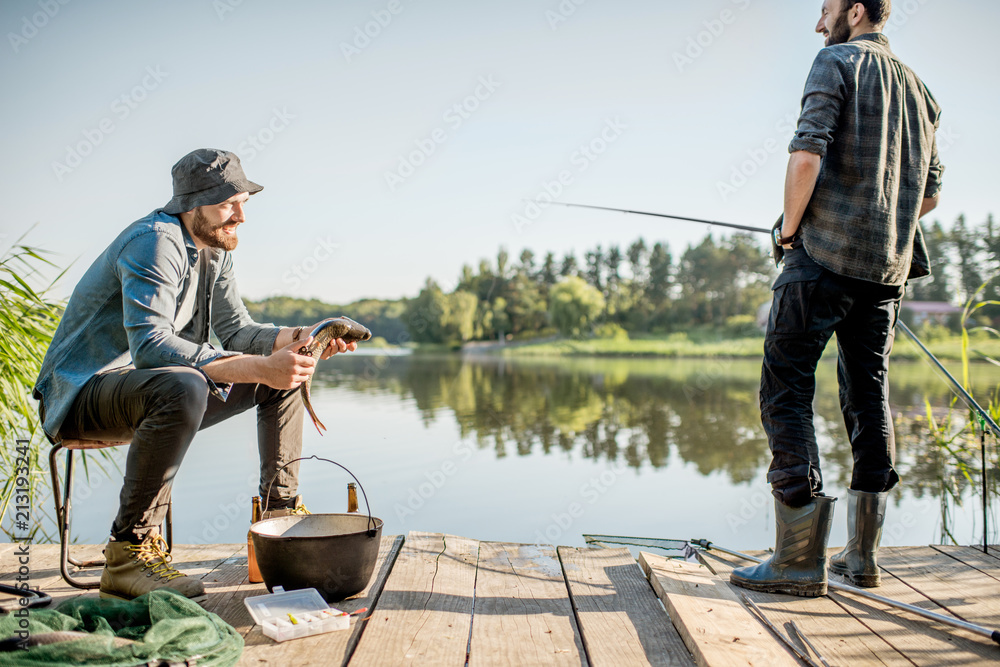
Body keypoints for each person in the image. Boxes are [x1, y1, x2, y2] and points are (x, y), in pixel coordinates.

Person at [33, 149, 358, 604]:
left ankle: (280, 518)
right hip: (81, 397)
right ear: (193, 203)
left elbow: (238, 331)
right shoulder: (154, 242)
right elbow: (151, 347)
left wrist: (304, 336)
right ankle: (129, 551)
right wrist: (259, 365)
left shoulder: (214, 250)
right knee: (184, 383)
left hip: (151, 391)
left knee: (286, 373)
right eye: (229, 203)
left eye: (244, 201)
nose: (241, 215)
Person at [731, 0, 944, 597]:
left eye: (825, 9)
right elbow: (927, 195)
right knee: (868, 393)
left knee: (787, 386)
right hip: (886, 273)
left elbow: (806, 154)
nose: (818, 23)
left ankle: (798, 559)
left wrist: (792, 231)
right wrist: (879, 217)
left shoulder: (836, 63)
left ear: (854, 10)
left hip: (820, 258)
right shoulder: (923, 93)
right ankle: (861, 556)